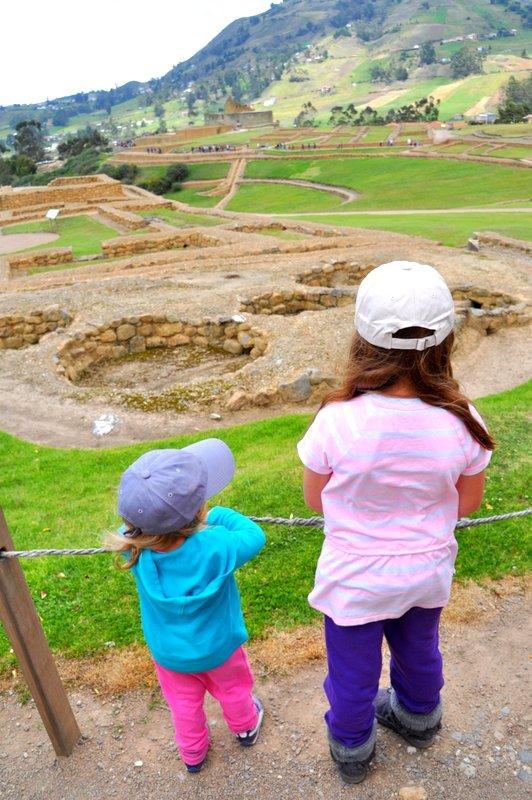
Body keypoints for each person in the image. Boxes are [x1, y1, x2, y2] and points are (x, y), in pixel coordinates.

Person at [297, 261, 494, 785]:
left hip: (355, 578)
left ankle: (353, 748)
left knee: (353, 672)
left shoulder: (336, 420)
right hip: (426, 569)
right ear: (445, 340)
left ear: (362, 338)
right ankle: (419, 717)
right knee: (419, 649)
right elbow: (465, 503)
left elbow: (316, 499)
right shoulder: (464, 419)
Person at [109, 439, 266, 773]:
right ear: (198, 511)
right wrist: (218, 514)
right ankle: (246, 727)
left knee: (182, 704)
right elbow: (255, 536)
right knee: (234, 690)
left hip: (169, 654)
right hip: (221, 648)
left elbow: (129, 531)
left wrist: (142, 523)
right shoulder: (217, 544)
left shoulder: (134, 552)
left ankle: (193, 754)